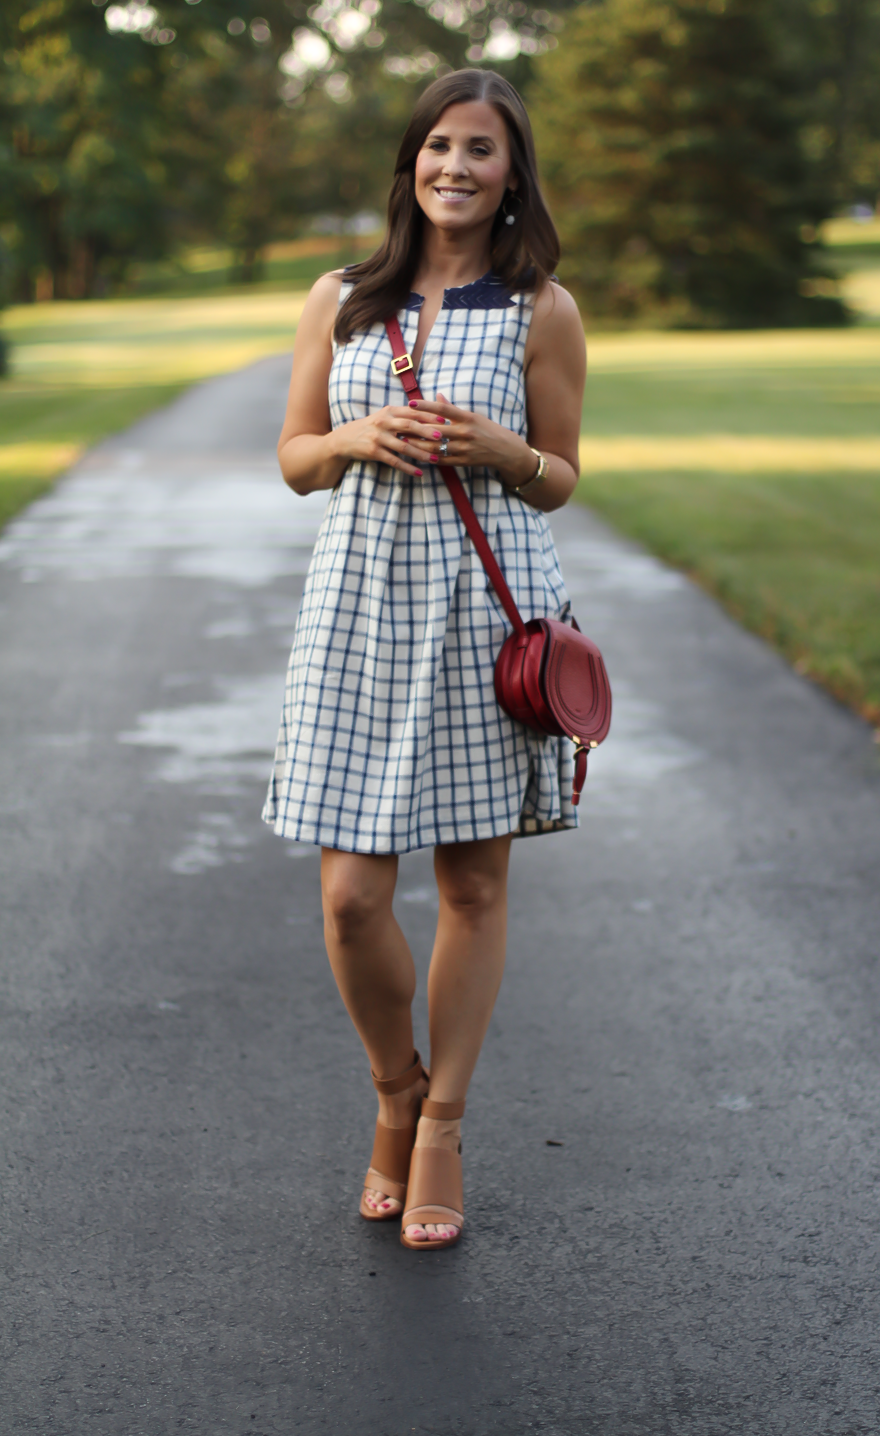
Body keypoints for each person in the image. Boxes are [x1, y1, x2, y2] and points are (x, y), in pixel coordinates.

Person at [263, 68, 586, 1249]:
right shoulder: (341, 297)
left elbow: (560, 477)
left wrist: (504, 445)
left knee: (471, 885)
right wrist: (352, 434)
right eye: (438, 145)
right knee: (352, 898)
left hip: (481, 615)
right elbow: (295, 457)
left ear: (513, 174)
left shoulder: (542, 307)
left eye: (482, 150)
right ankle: (393, 1088)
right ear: (411, 162)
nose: (456, 166)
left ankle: (441, 1123)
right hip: (358, 604)